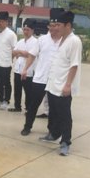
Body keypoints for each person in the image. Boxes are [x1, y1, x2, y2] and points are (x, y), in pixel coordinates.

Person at [20, 8, 63, 136]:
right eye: (51, 25)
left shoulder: (64, 41)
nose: (52, 28)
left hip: (55, 80)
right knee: (33, 105)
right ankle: (27, 127)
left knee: (53, 108)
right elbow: (32, 55)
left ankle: (51, 130)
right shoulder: (42, 40)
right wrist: (25, 69)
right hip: (40, 79)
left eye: (56, 25)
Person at [44, 10, 82, 156]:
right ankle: (53, 134)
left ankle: (65, 142)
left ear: (68, 25)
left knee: (64, 115)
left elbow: (74, 65)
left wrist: (68, 85)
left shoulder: (74, 41)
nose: (56, 27)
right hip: (53, 84)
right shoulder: (62, 40)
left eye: (58, 25)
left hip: (63, 87)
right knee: (53, 112)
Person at [9, 19, 38, 112]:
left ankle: (28, 108)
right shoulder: (21, 41)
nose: (25, 32)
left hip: (28, 71)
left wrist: (20, 53)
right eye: (24, 29)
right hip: (18, 69)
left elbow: (30, 55)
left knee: (28, 91)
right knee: (17, 89)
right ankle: (17, 106)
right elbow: (14, 52)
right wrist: (22, 52)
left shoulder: (35, 42)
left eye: (28, 30)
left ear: (33, 30)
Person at [0, 11, 17, 110]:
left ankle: (6, 101)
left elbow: (15, 50)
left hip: (6, 64)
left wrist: (10, 60)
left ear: (6, 22)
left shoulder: (11, 34)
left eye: (1, 21)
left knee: (6, 83)